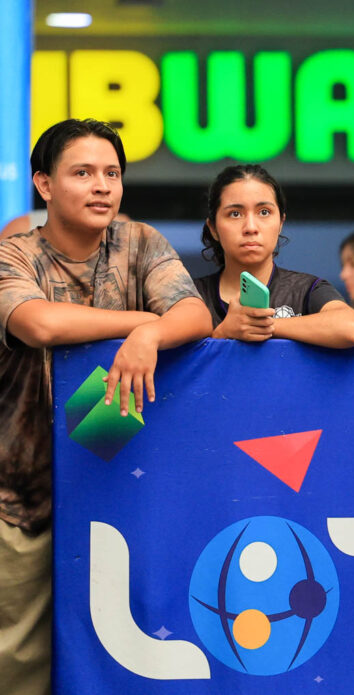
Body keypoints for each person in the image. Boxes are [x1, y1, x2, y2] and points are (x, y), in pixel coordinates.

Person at [0, 118, 211, 695]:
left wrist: (152, 336)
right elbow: (40, 324)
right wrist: (144, 322)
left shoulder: (139, 242)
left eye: (112, 173)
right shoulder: (14, 254)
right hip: (20, 501)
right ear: (44, 184)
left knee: (117, 666)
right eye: (83, 173)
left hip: (119, 497)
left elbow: (196, 314)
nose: (101, 186)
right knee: (17, 666)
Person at [194, 165, 354, 348]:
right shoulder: (190, 295)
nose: (251, 227)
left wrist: (262, 325)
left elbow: (352, 329)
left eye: (264, 212)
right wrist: (223, 333)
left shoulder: (305, 289)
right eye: (235, 214)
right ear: (213, 228)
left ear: (281, 223)